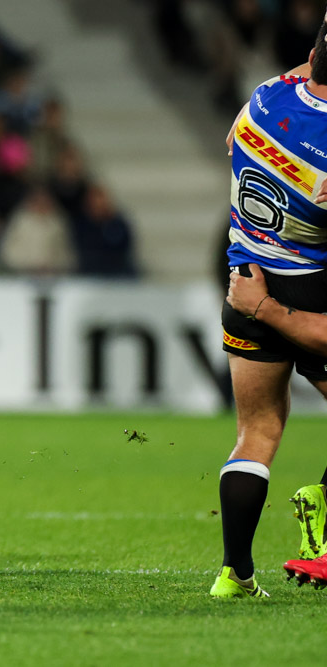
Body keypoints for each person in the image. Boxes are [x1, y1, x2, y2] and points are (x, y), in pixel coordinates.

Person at [210, 17, 327, 599]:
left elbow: (229, 144)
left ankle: (235, 573)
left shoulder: (264, 97)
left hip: (245, 276)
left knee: (256, 432)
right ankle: (324, 517)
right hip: (308, 292)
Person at [226, 264, 327, 585]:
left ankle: (234, 574)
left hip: (247, 287)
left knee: (255, 431)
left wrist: (257, 305)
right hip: (314, 297)